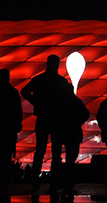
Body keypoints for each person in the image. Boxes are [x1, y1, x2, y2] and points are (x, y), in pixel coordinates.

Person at [21, 54, 74, 187]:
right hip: (57, 118)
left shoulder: (39, 79)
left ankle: (35, 178)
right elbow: (67, 100)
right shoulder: (61, 81)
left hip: (43, 117)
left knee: (40, 149)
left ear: (47, 64)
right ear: (57, 65)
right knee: (56, 150)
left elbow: (24, 91)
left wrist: (36, 102)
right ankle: (54, 179)